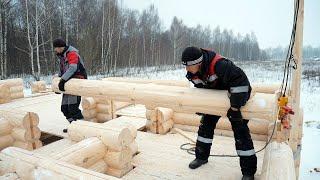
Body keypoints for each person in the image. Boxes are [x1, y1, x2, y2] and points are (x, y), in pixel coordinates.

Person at [181, 47, 257, 180]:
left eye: (188, 66)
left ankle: (248, 172)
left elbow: (242, 83)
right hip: (215, 99)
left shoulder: (220, 65)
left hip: (235, 99)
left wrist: (235, 107)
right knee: (205, 126)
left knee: (241, 132)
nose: (186, 69)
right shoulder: (193, 72)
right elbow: (201, 88)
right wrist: (202, 105)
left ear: (198, 63)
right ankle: (201, 158)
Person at [53, 38, 87, 133]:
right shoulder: (62, 56)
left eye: (56, 48)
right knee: (64, 109)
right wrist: (58, 83)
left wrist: (62, 80)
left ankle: (83, 128)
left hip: (76, 82)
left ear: (60, 47)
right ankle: (74, 126)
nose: (55, 50)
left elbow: (73, 68)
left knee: (73, 108)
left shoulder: (72, 53)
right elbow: (62, 71)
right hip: (68, 82)